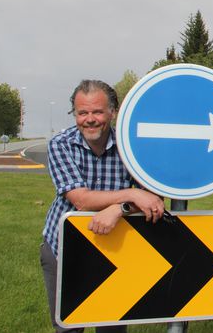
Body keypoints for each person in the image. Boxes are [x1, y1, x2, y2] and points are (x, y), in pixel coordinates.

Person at [40, 80, 166, 333]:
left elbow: (153, 199)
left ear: (112, 112)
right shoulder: (60, 144)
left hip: (117, 249)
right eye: (82, 113)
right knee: (69, 326)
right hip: (64, 247)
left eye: (97, 112)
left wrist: (120, 209)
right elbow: (81, 200)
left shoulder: (132, 146)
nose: (89, 119)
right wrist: (131, 194)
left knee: (113, 325)